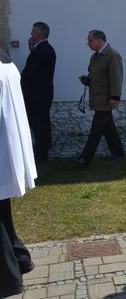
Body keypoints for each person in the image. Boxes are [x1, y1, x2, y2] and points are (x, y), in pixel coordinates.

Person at [0, 48, 37, 297]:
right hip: (7, 148)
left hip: (3, 147)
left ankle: (7, 280)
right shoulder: (6, 60)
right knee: (3, 209)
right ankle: (20, 257)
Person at [71, 30, 125, 167]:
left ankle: (85, 158)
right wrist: (87, 80)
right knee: (108, 128)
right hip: (98, 98)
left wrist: (114, 97)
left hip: (106, 100)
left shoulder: (112, 55)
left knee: (96, 130)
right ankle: (118, 151)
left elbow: (116, 78)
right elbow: (97, 76)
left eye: (90, 40)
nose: (87, 43)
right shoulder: (95, 56)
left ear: (99, 40)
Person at [20, 22, 56, 164]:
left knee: (38, 123)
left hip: (37, 94)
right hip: (42, 93)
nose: (30, 35)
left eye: (32, 32)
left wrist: (20, 85)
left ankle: (41, 152)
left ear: (38, 34)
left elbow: (30, 71)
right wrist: (31, 48)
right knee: (41, 122)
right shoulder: (45, 49)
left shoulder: (41, 51)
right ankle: (42, 149)